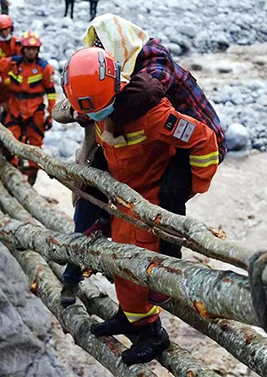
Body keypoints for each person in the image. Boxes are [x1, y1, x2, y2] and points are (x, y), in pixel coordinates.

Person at [62, 46, 220, 365]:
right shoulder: (95, 102)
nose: (91, 119)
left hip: (148, 202)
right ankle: (131, 317)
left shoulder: (153, 114)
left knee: (141, 267)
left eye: (95, 112)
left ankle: (152, 335)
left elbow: (203, 140)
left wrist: (189, 188)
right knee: (122, 264)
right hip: (123, 199)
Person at [57, 13, 227, 305]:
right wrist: (83, 105)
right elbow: (70, 100)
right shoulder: (110, 67)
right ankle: (83, 259)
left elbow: (147, 94)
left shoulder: (152, 59)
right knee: (93, 182)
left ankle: (167, 269)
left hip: (191, 140)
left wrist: (101, 108)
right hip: (159, 140)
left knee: (168, 199)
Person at [0, 31, 56, 185]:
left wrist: (51, 115)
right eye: (28, 48)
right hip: (15, 110)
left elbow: (51, 93)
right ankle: (13, 177)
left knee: (35, 148)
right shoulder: (13, 63)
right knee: (9, 143)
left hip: (35, 112)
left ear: (37, 50)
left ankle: (30, 182)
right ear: (23, 49)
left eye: (33, 49)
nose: (30, 51)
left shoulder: (45, 68)